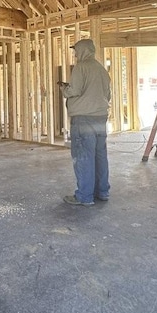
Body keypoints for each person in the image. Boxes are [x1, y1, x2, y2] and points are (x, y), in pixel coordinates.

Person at [58, 39, 111, 207]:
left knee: (83, 156)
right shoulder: (102, 69)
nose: (75, 54)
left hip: (83, 119)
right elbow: (107, 95)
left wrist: (64, 89)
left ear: (83, 50)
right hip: (101, 118)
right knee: (99, 155)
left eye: (76, 51)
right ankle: (102, 192)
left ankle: (84, 196)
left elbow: (75, 90)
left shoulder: (81, 67)